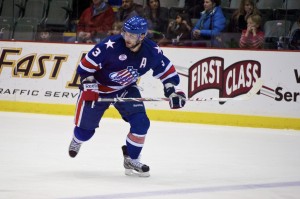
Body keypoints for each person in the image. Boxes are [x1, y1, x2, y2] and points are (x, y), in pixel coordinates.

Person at [68, 16, 186, 177]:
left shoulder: (152, 51)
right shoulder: (109, 46)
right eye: (125, 33)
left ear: (142, 36)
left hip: (125, 88)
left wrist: (173, 92)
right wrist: (89, 85)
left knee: (141, 123)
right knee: (84, 133)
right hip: (99, 88)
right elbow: (84, 68)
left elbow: (167, 73)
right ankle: (77, 140)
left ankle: (132, 158)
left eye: (132, 35)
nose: (127, 38)